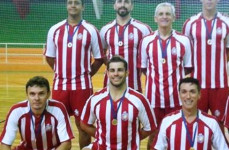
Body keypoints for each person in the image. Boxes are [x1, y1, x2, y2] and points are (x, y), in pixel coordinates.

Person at [44, 0, 105, 148]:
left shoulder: (91, 30)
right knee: (57, 126)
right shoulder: (55, 29)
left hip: (82, 87)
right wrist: (61, 71)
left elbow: (99, 58)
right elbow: (49, 57)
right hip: (60, 86)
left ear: (83, 6)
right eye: (70, 2)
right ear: (66, 5)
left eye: (77, 3)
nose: (73, 5)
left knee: (83, 126)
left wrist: (86, 75)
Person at [138, 2, 193, 148]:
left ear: (174, 17)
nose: (164, 17)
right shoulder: (146, 41)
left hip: (176, 100)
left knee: (176, 136)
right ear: (155, 18)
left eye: (168, 14)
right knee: (154, 137)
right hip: (153, 100)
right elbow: (144, 68)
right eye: (161, 14)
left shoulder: (184, 41)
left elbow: (187, 68)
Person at [80, 55, 157, 150]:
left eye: (120, 70)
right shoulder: (95, 99)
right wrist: (103, 137)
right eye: (112, 70)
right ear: (107, 73)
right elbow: (84, 124)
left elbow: (150, 128)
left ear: (127, 72)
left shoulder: (139, 99)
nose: (116, 74)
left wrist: (132, 139)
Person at [182, 0, 229, 121]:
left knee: (220, 123)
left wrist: (216, 66)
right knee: (196, 121)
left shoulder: (228, 22)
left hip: (220, 85)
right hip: (197, 84)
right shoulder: (190, 23)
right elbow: (186, 52)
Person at [153, 77, 229, 150]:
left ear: (199, 94)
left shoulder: (212, 122)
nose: (188, 96)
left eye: (192, 92)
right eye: (184, 92)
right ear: (179, 94)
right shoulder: (167, 121)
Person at [0, 76, 74, 150]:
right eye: (32, 94)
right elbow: (5, 144)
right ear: (27, 95)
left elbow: (66, 144)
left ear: (48, 94)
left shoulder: (58, 108)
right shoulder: (16, 110)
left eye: (41, 94)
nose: (37, 98)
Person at [100, 0, 152, 93]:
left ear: (132, 6)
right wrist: (110, 65)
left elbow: (151, 56)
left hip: (134, 85)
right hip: (110, 85)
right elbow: (101, 53)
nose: (123, 5)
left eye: (127, 2)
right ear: (114, 5)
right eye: (119, 2)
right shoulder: (105, 29)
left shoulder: (143, 29)